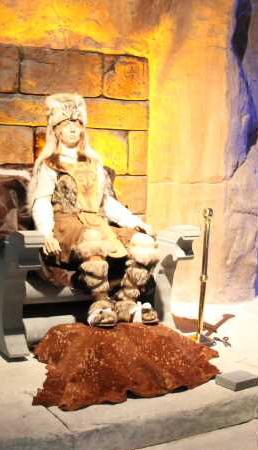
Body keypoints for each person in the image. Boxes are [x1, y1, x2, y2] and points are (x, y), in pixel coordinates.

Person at [28, 93, 160, 327]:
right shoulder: (50, 164)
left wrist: (135, 222)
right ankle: (100, 304)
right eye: (66, 124)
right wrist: (45, 234)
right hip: (67, 225)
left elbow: (106, 203)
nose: (72, 129)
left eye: (77, 123)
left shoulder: (93, 163)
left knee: (144, 242)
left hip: (97, 221)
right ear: (56, 130)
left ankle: (127, 303)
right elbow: (41, 201)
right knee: (92, 237)